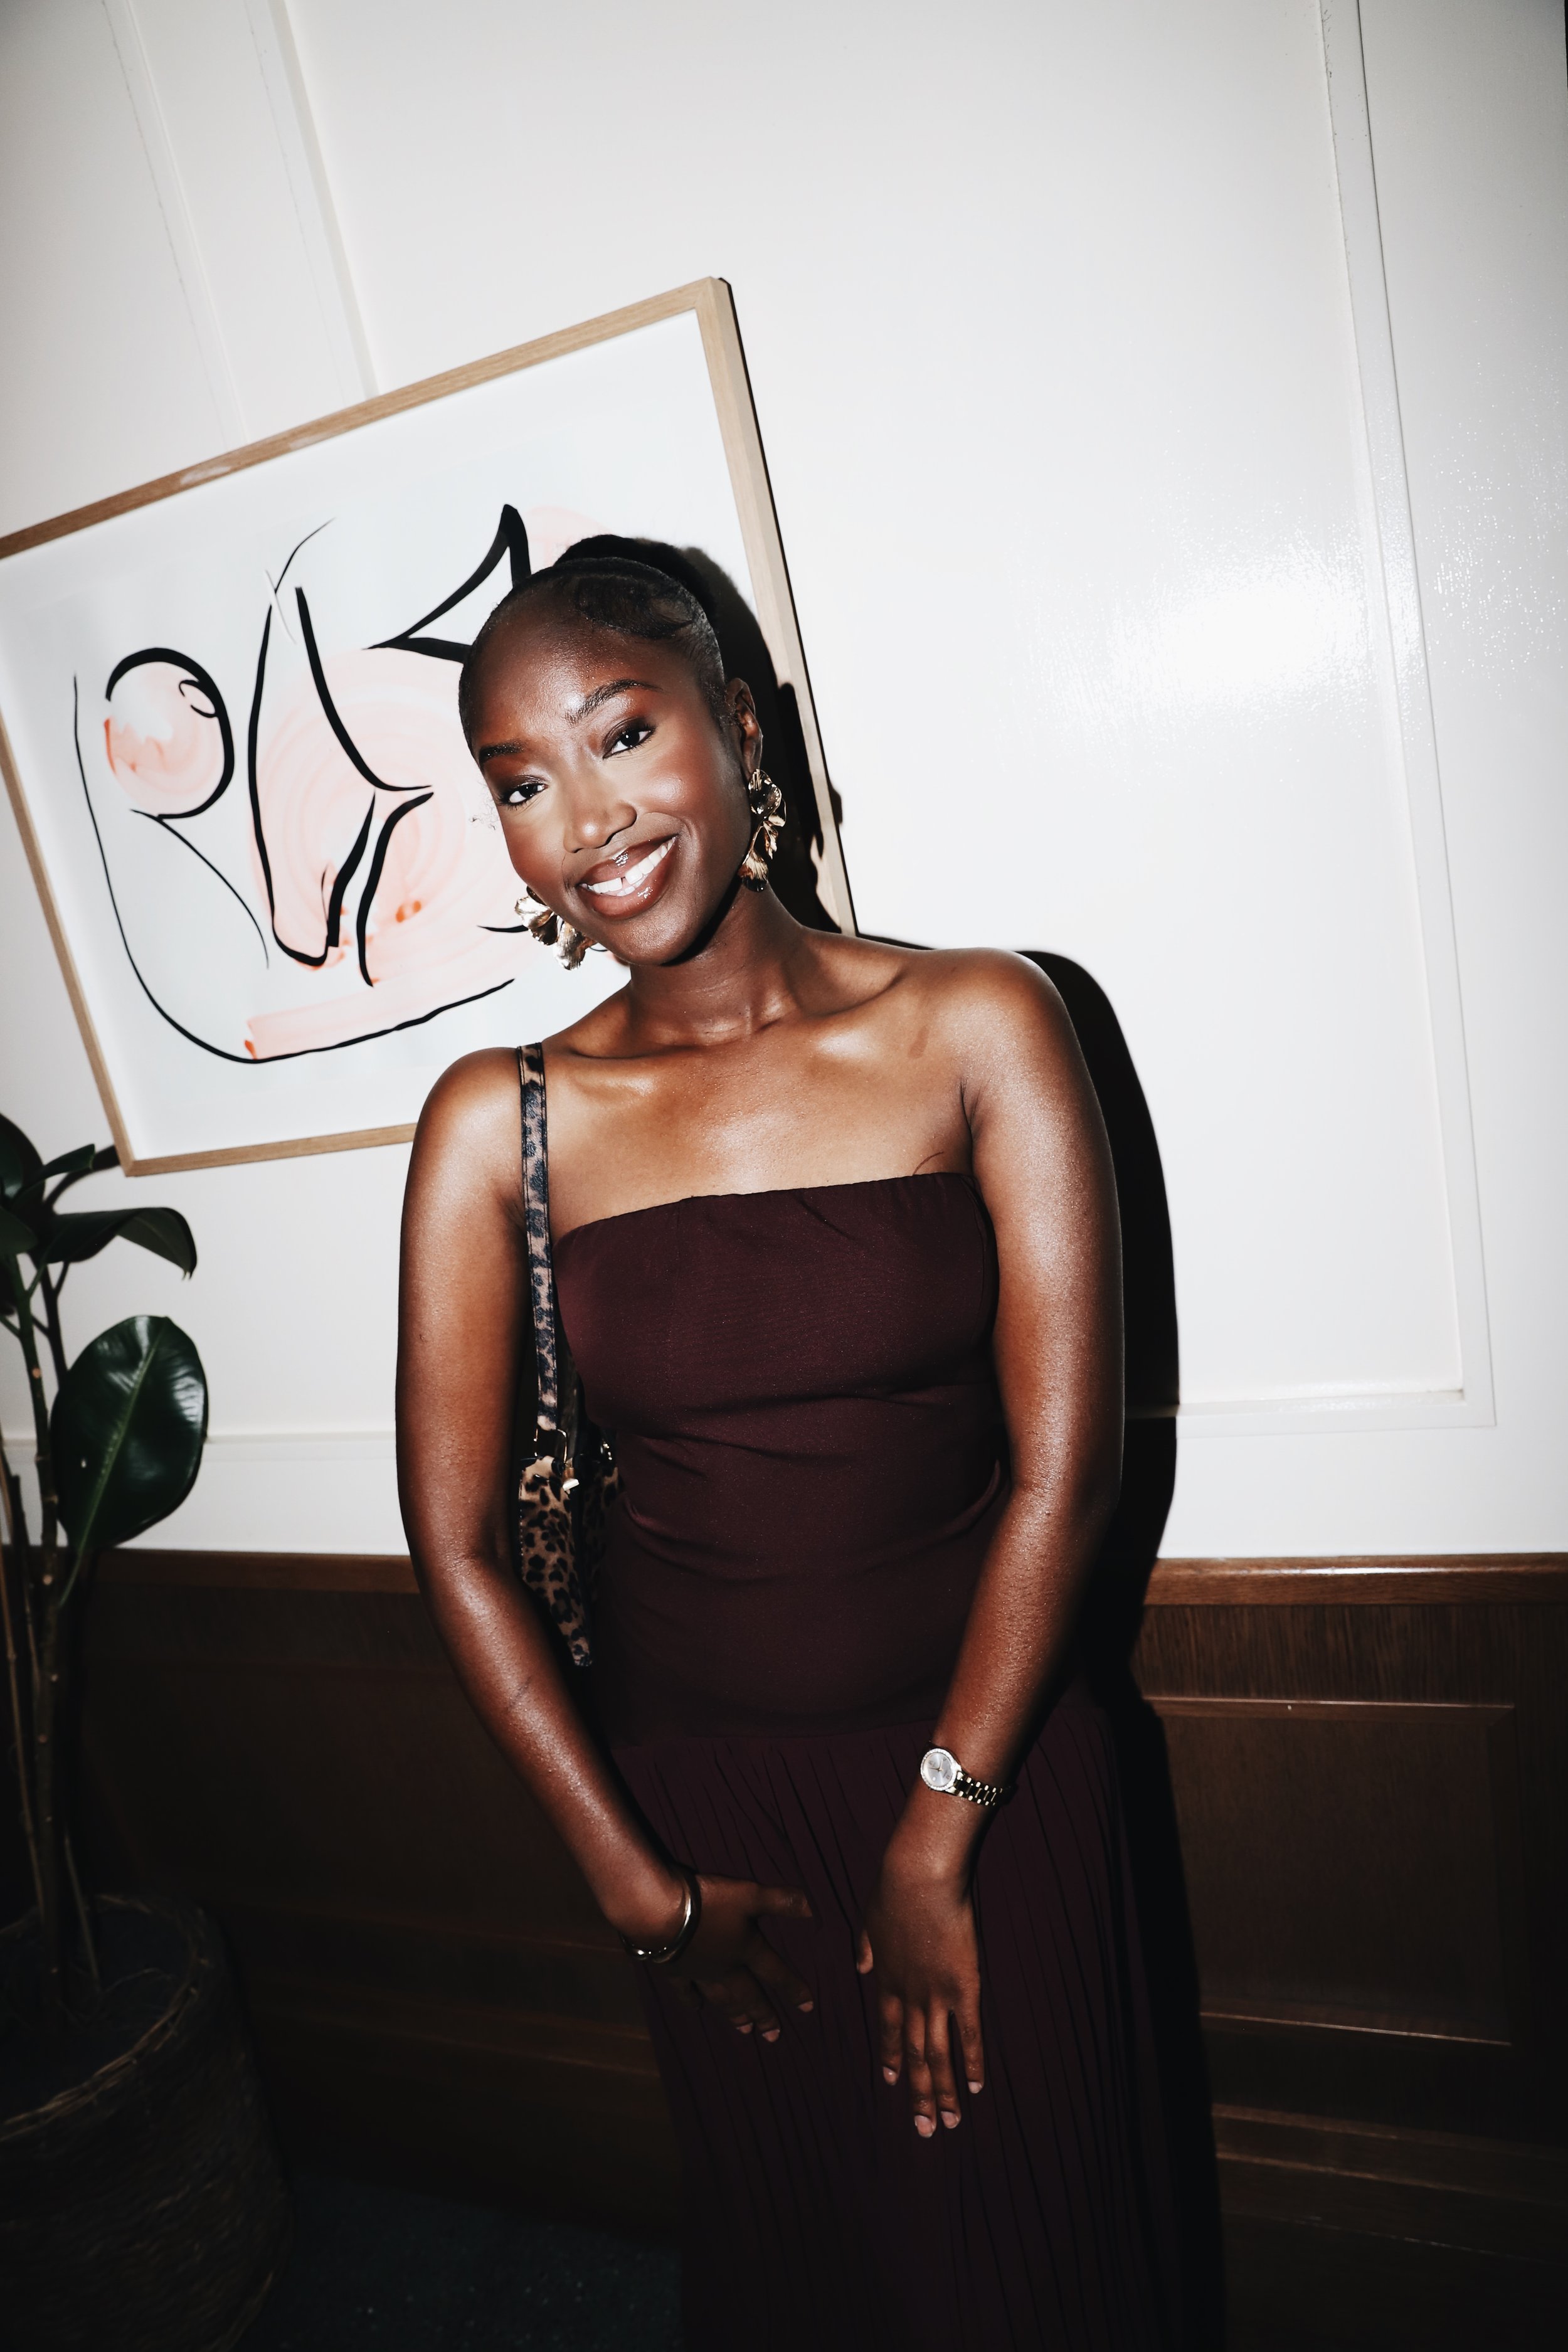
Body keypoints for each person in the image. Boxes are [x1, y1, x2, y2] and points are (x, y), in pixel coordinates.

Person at [396, 548, 1179, 2351]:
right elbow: (458, 1547)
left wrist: (940, 1831)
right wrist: (638, 1889)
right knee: (811, 2266)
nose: (587, 818)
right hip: (710, 1830)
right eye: (522, 782)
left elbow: (1066, 1465)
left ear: (741, 729)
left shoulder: (975, 1021)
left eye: (622, 734)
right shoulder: (498, 1124)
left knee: (1040, 2264)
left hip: (995, 1764)